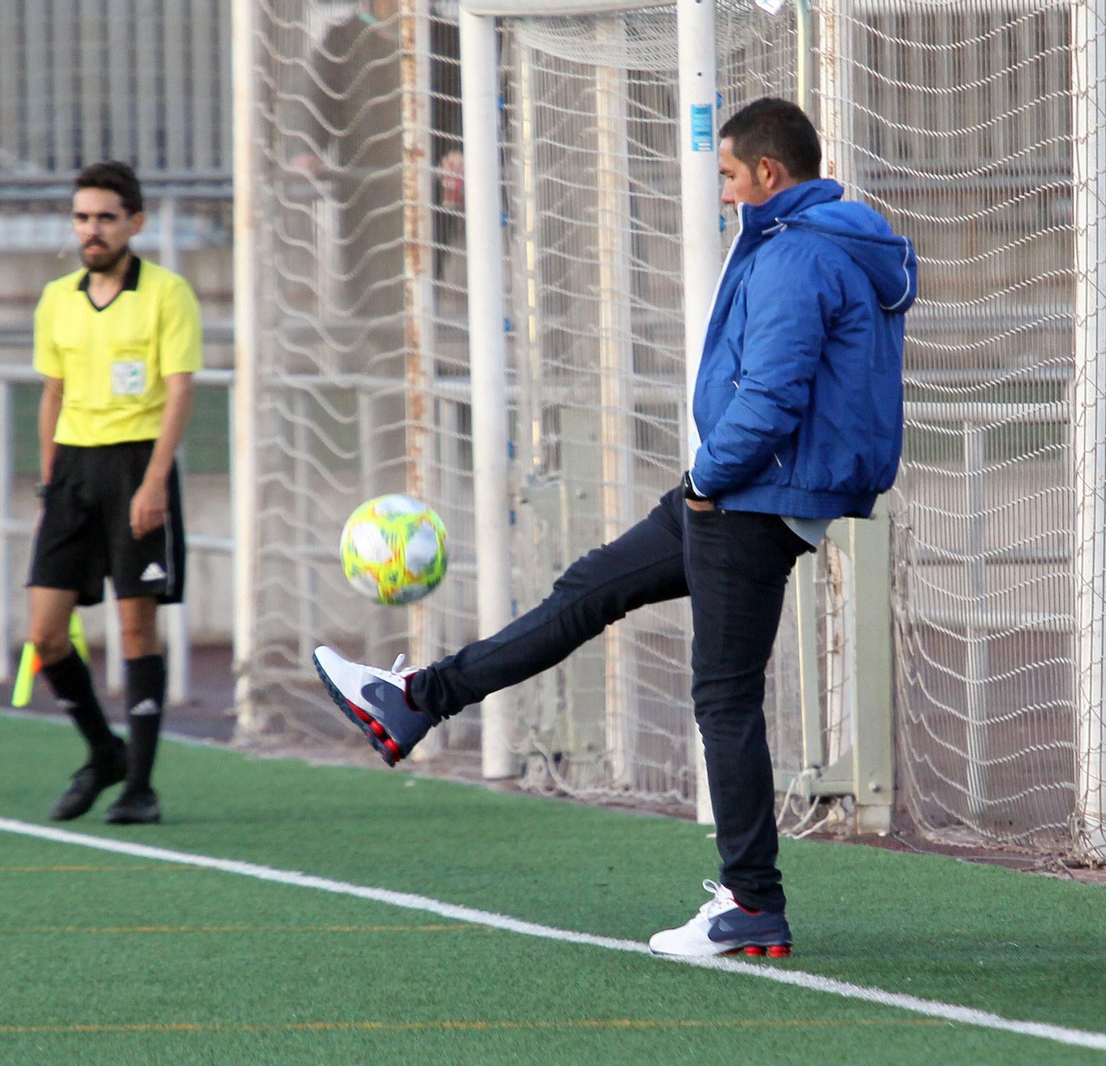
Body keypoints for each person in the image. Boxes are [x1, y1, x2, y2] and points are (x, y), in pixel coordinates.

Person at [314, 97, 916, 956]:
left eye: (729, 176)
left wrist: (708, 479)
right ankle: (416, 701)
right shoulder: (826, 240)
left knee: (723, 697)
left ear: (768, 176)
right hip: (743, 494)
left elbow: (774, 394)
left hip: (747, 496)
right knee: (589, 589)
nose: (722, 192)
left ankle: (751, 902)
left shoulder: (799, 255)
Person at [27, 161, 202, 826]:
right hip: (72, 474)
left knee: (135, 626)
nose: (91, 230)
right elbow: (53, 392)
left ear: (135, 223)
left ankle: (141, 788)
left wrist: (155, 481)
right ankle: (104, 753)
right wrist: (50, 483)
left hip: (137, 467)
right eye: (82, 217)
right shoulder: (56, 299)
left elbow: (180, 389)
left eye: (105, 217)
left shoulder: (167, 294)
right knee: (45, 634)